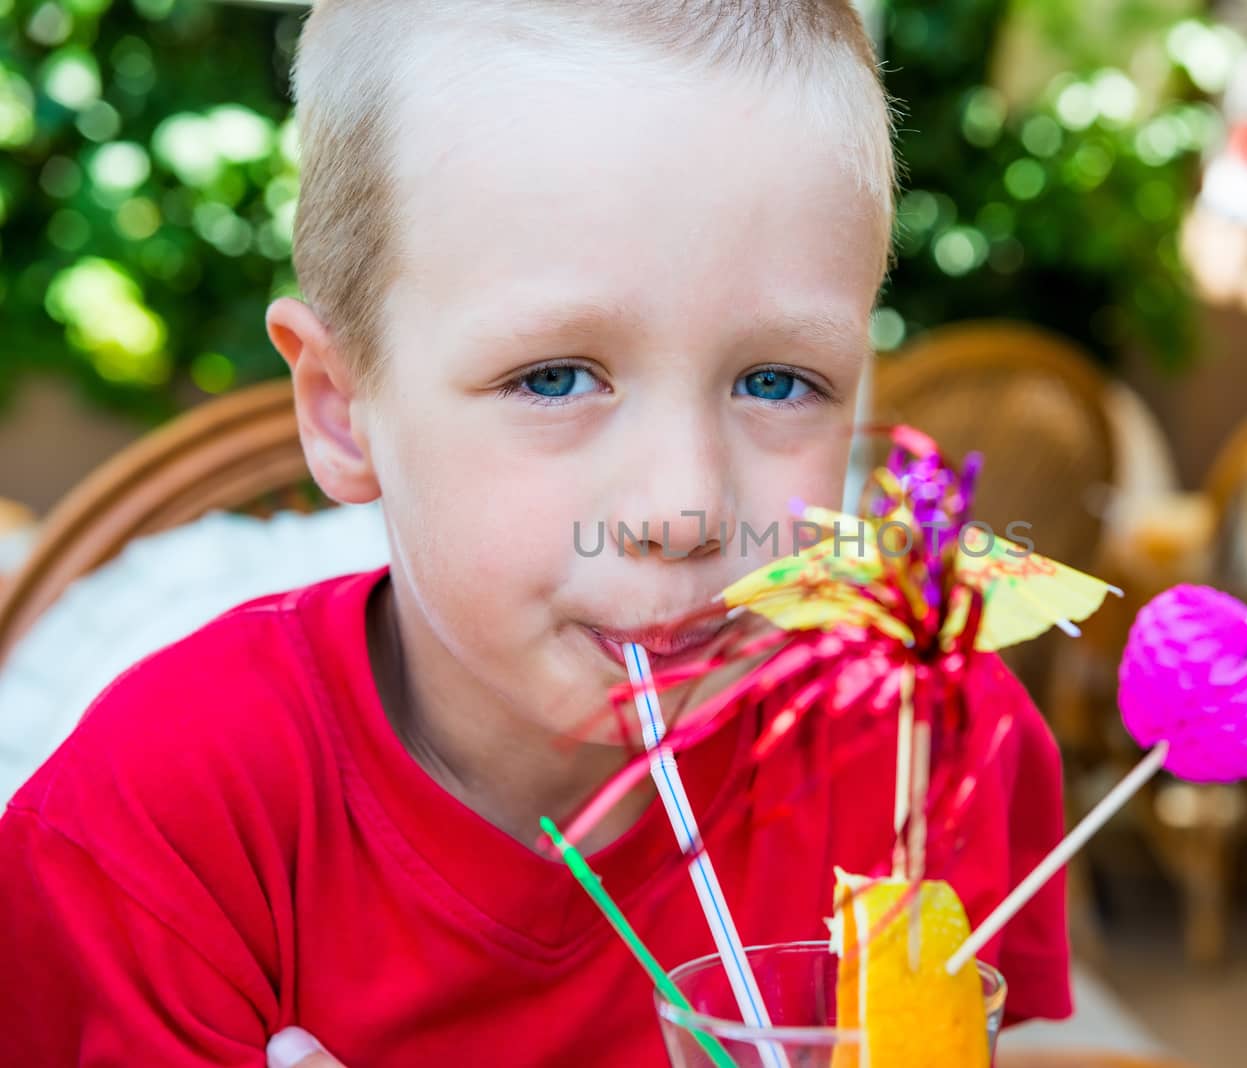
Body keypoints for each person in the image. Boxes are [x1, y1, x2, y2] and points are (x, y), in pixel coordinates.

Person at [0, 3, 1073, 1064]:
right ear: (343, 405)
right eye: (554, 377)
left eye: (779, 380)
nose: (681, 508)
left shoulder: (930, 750)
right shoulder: (151, 835)